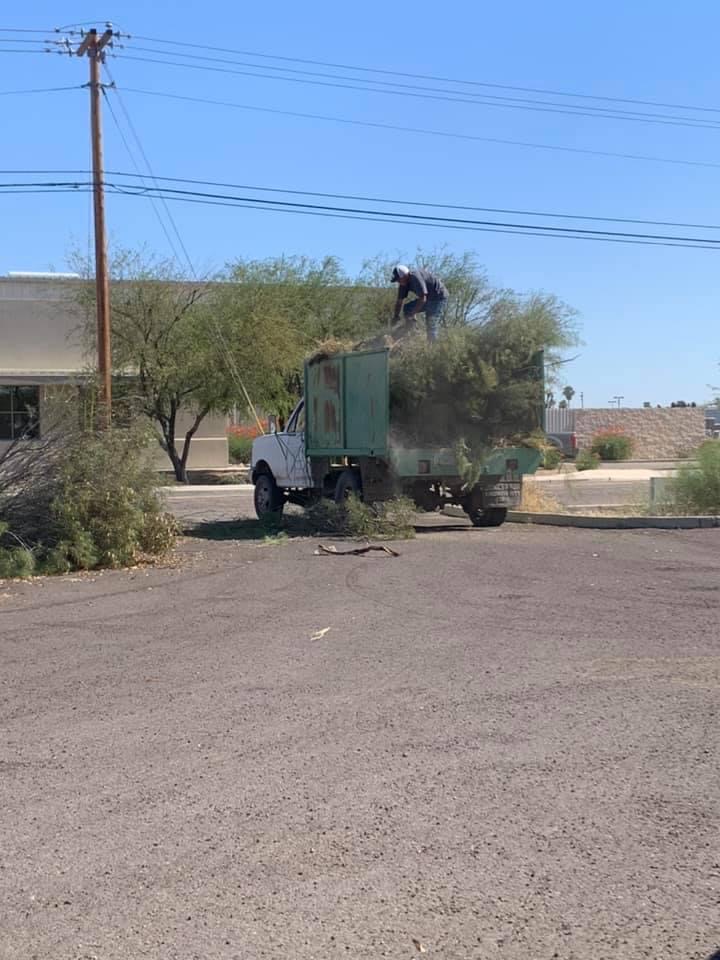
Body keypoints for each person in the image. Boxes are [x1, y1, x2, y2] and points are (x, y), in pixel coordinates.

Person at [391, 264, 449, 342]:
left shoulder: (415, 277)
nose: (398, 281)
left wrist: (412, 314)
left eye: (398, 279)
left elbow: (423, 298)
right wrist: (396, 316)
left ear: (405, 276)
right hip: (428, 298)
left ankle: (433, 347)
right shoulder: (403, 284)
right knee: (407, 308)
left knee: (431, 323)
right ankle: (412, 331)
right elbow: (399, 302)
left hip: (438, 297)